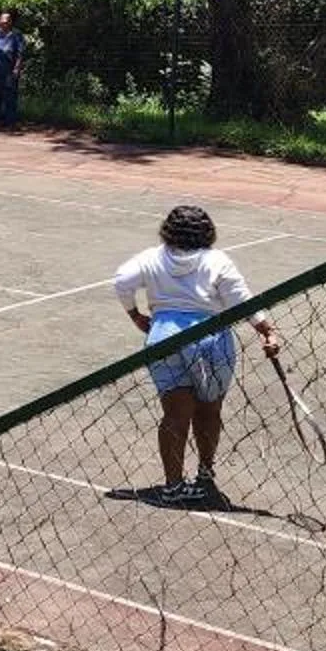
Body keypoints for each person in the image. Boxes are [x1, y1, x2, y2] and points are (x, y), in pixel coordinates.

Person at [106, 205, 279, 509]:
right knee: (209, 410)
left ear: (168, 231)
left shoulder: (151, 258)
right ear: (207, 232)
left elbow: (122, 280)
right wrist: (266, 331)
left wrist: (136, 315)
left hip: (164, 339)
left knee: (174, 414)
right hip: (209, 340)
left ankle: (173, 487)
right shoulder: (217, 260)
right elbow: (241, 298)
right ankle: (205, 476)